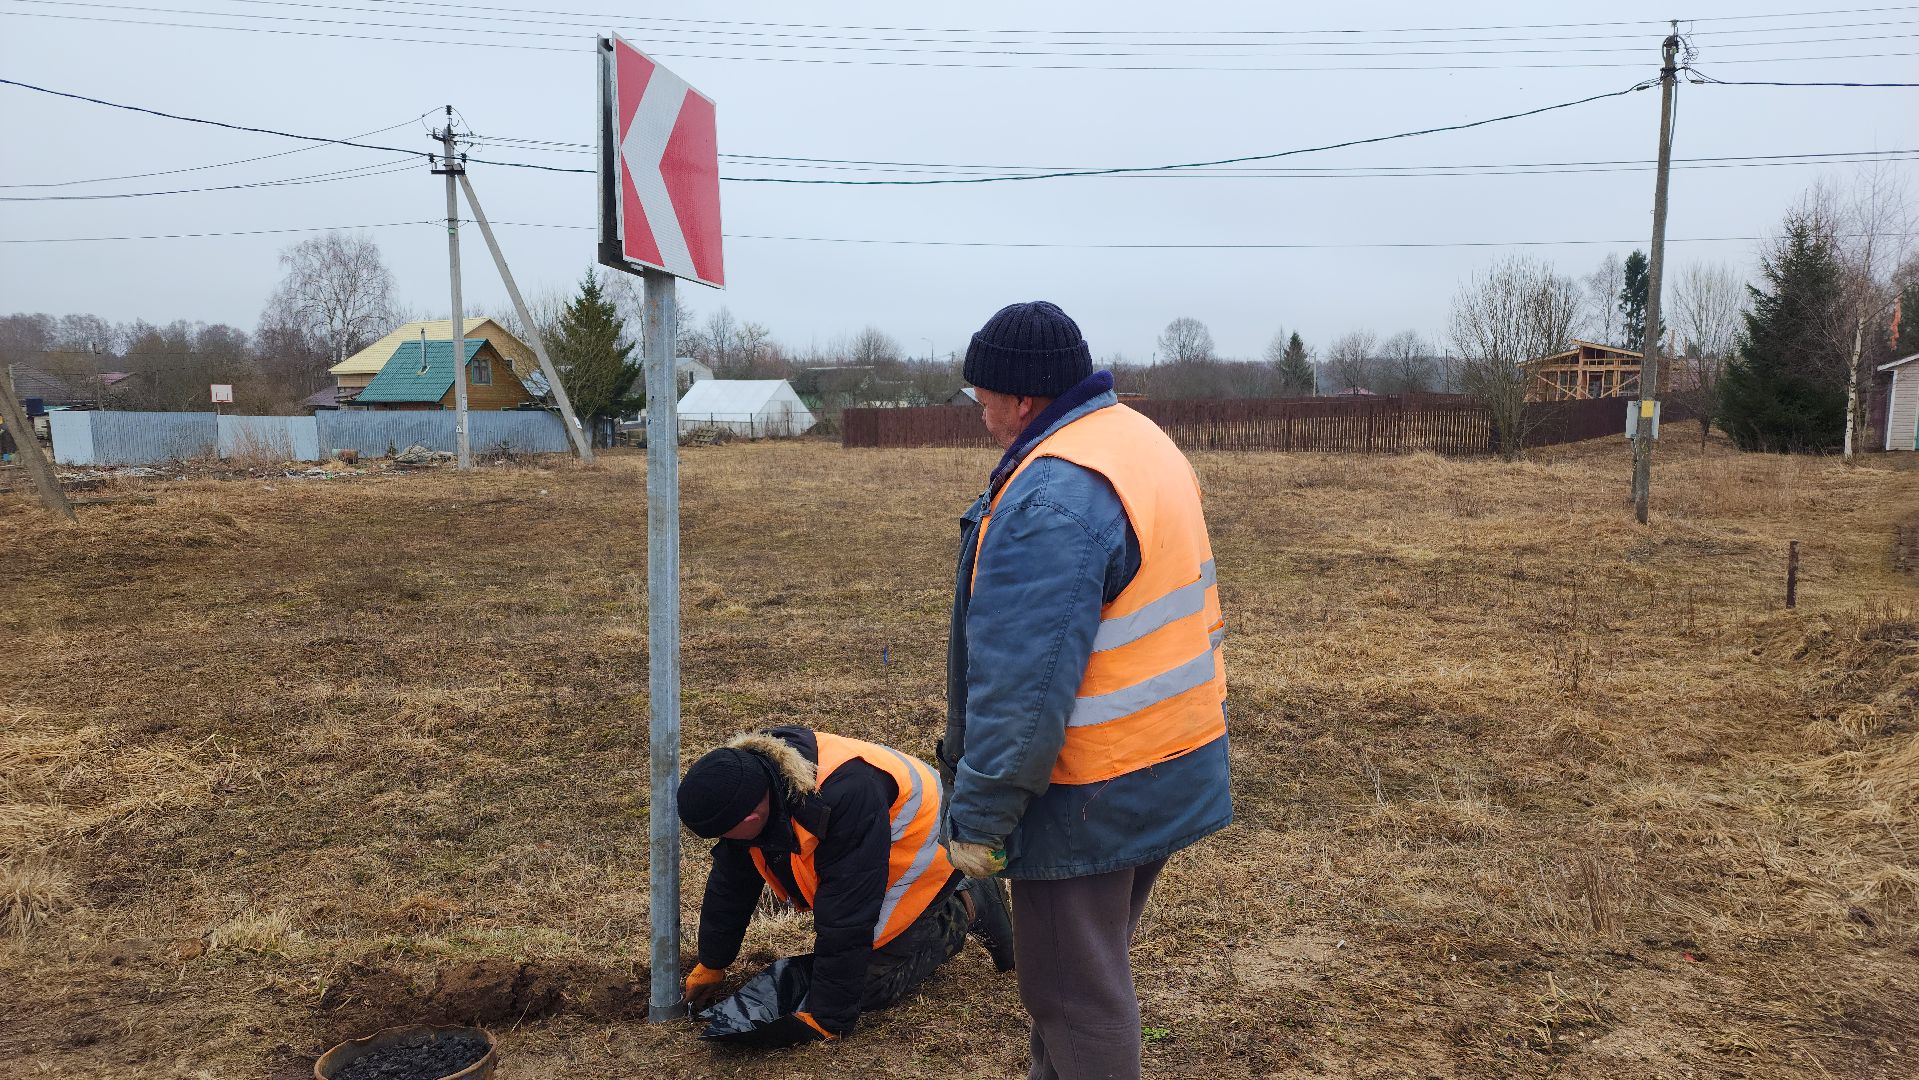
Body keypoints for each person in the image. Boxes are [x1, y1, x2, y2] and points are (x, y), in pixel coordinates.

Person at [938, 301, 1232, 1080]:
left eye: (984, 397)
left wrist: (981, 815)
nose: (980, 414)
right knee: (1077, 979)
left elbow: (1020, 692)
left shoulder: (1052, 498)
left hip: (1088, 789)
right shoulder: (1134, 441)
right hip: (1166, 760)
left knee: (1075, 997)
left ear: (1024, 399)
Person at [677, 724, 1014, 1044]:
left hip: (927, 845)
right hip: (876, 841)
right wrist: (712, 961)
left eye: (726, 834)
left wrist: (828, 1017)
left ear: (751, 819)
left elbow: (848, 911)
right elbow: (732, 880)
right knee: (844, 967)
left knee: (869, 983)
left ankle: (965, 904)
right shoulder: (752, 778)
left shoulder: (845, 796)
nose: (725, 841)